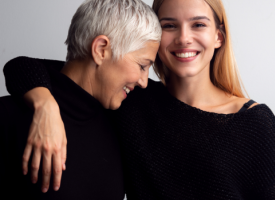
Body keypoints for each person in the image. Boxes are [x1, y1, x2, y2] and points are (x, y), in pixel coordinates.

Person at [3, 0, 275, 199]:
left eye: (198, 25)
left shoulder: (255, 123)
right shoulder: (131, 100)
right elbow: (31, 67)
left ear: (219, 36)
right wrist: (45, 105)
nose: (183, 38)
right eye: (169, 25)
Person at [0, 0, 160, 199]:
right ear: (101, 49)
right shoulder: (8, 117)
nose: (144, 82)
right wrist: (44, 105)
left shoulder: (120, 120)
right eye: (143, 66)